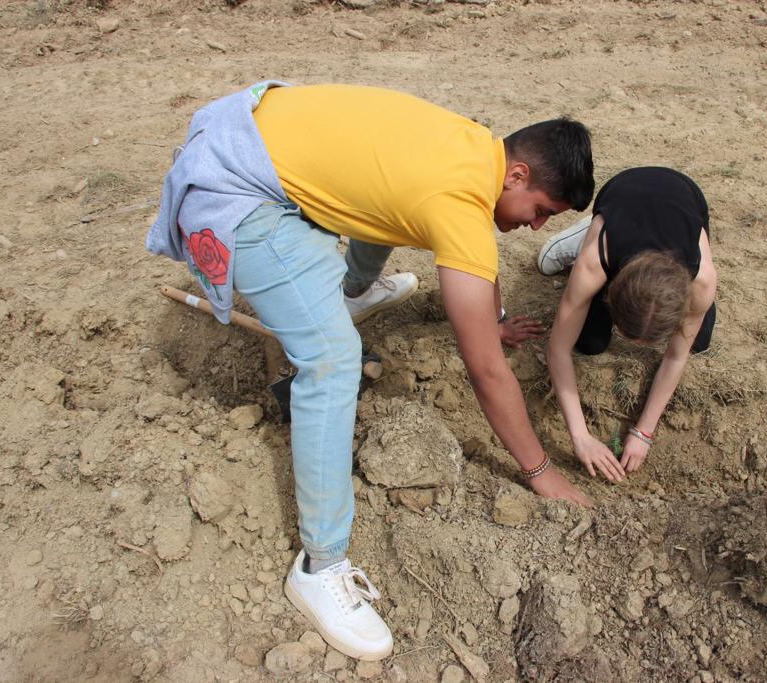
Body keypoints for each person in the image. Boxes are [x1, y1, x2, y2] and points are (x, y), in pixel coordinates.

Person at [146, 81, 594, 661]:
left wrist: (496, 316)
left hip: (245, 122)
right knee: (333, 362)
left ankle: (348, 292)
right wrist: (539, 472)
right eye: (542, 212)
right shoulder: (459, 200)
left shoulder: (469, 146)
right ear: (517, 175)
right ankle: (320, 566)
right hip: (231, 189)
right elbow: (485, 369)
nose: (537, 227)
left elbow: (459, 249)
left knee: (380, 207)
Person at [537, 167, 717, 483]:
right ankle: (580, 235)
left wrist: (644, 431)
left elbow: (676, 357)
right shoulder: (596, 263)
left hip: (683, 196)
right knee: (589, 343)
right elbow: (558, 349)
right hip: (623, 195)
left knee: (698, 342)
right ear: (609, 296)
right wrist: (580, 437)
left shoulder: (701, 283)